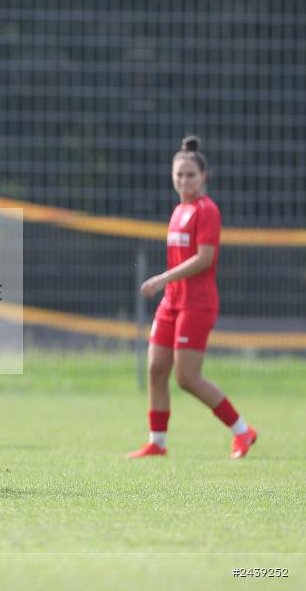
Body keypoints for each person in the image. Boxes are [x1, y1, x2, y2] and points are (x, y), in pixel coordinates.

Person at [127, 136, 258, 459]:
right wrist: (167, 287)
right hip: (171, 302)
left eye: (191, 175)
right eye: (179, 175)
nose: (184, 181)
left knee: (187, 378)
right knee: (156, 368)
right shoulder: (179, 210)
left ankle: (243, 431)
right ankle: (157, 442)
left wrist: (162, 278)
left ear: (203, 177)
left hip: (197, 303)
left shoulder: (207, 210)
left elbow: (204, 258)